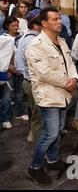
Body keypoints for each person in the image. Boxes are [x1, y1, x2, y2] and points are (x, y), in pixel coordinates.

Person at [25, 7, 78, 185]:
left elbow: (70, 63)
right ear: (44, 23)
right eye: (55, 19)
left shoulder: (62, 42)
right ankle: (34, 167)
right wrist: (67, 82)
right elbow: (44, 73)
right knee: (50, 133)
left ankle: (53, 160)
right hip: (48, 96)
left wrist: (74, 78)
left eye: (59, 18)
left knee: (57, 130)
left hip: (63, 94)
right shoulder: (36, 46)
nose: (59, 22)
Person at [16, 9, 41, 141]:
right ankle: (41, 150)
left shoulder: (31, 37)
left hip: (30, 81)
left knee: (36, 113)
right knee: (38, 117)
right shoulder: (32, 41)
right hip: (33, 82)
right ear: (36, 25)